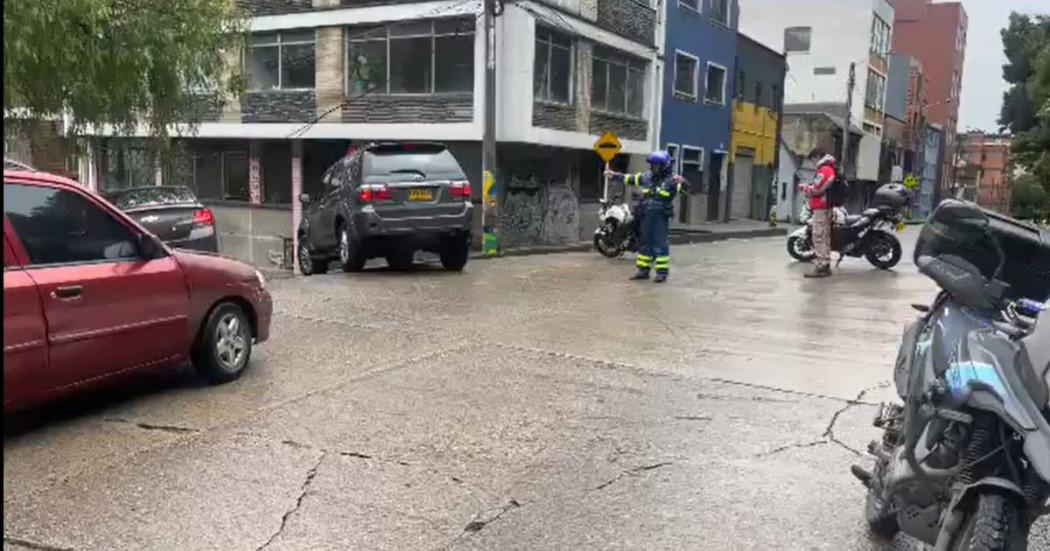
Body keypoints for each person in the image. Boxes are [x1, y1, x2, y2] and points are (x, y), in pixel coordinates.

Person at [605, 151, 687, 283]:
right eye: (652, 165)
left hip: (660, 217)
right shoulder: (647, 176)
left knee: (659, 244)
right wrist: (614, 176)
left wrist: (683, 182)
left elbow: (685, 190)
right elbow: (631, 178)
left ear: (664, 165)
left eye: (657, 165)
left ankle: (661, 273)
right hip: (645, 215)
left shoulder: (672, 180)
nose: (654, 167)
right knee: (644, 243)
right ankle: (643, 270)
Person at [800, 149, 837, 278]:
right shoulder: (830, 169)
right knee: (825, 236)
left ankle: (821, 265)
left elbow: (816, 189)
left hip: (821, 208)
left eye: (813, 160)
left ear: (817, 157)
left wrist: (805, 188)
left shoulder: (824, 170)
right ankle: (825, 263)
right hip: (827, 207)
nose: (812, 163)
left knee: (818, 236)